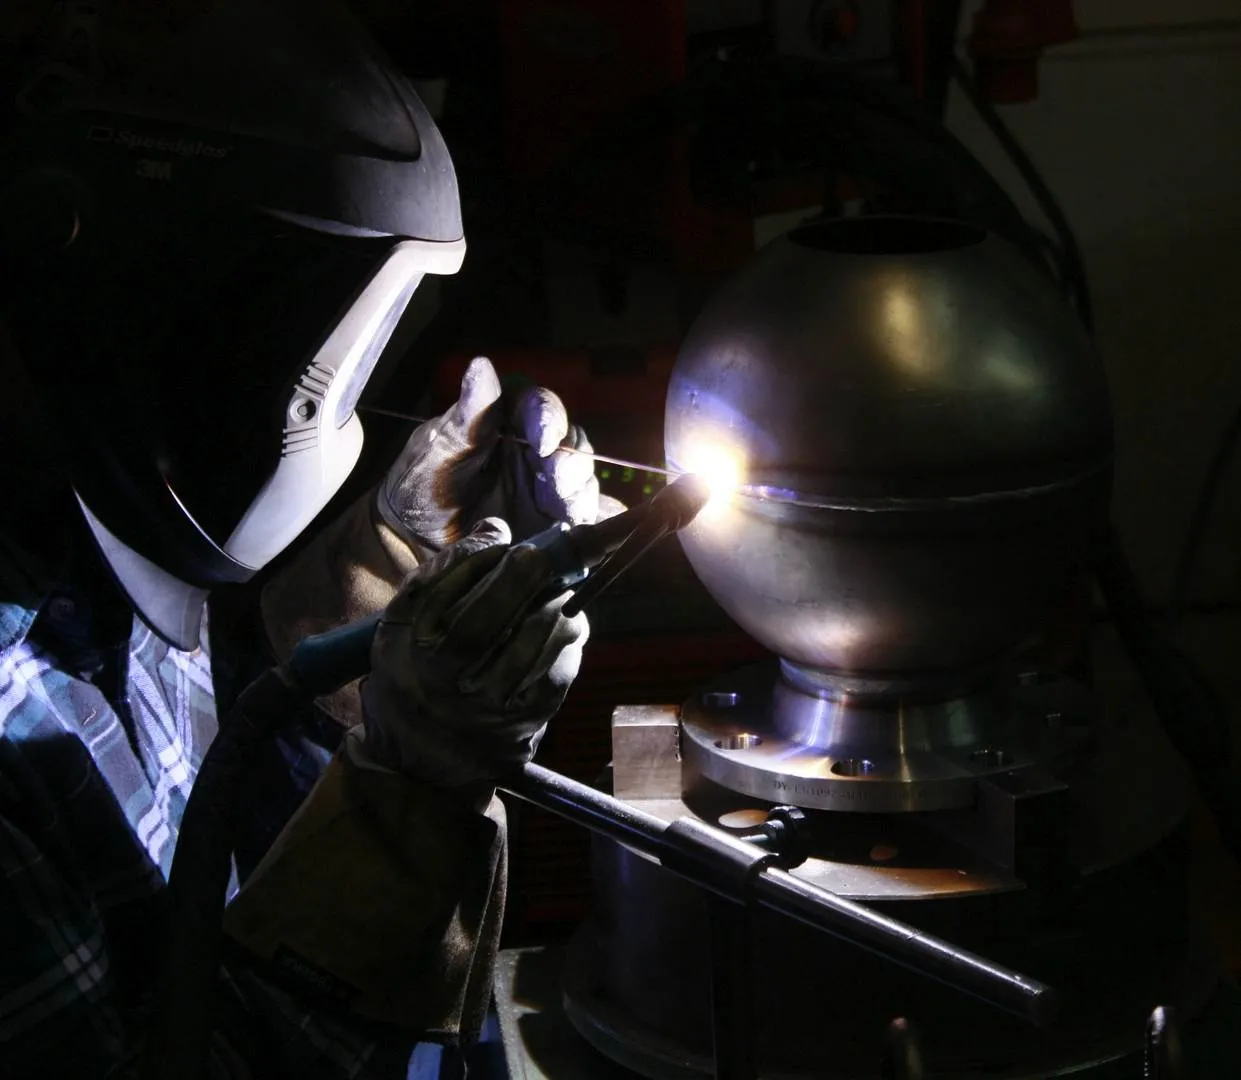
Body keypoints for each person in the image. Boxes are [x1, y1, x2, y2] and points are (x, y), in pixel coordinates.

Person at [0, 1, 618, 1075]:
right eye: (303, 344)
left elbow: (220, 845)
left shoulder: (80, 541)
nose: (321, 408)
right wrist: (412, 790)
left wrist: (393, 571)